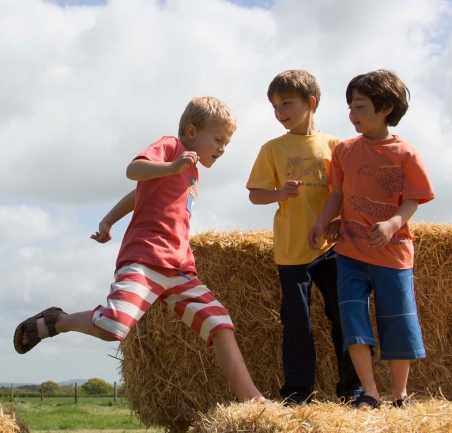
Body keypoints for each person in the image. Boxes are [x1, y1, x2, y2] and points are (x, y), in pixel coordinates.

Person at [14, 95, 266, 404]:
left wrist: (108, 219)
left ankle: (254, 402)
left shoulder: (193, 173)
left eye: (227, 142)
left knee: (220, 323)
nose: (223, 148)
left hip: (179, 269)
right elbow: (135, 170)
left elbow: (140, 192)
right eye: (218, 139)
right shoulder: (172, 147)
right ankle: (59, 321)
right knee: (111, 326)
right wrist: (172, 164)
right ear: (191, 131)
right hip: (145, 260)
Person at [308, 69, 435, 409]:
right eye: (350, 107)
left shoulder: (406, 153)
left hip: (393, 255)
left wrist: (394, 224)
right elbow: (337, 194)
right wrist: (324, 222)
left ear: (386, 108)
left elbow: (413, 199)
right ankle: (369, 392)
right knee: (353, 318)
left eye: (360, 107)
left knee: (398, 320)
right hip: (349, 252)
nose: (352, 115)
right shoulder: (345, 151)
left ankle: (400, 395)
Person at [246, 69, 361, 405]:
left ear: (310, 103)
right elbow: (255, 194)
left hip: (332, 249)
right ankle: (298, 392)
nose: (280, 111)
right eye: (275, 106)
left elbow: (348, 192)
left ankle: (351, 389)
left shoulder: (336, 146)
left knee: (343, 317)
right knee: (297, 323)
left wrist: (339, 219)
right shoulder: (272, 148)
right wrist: (279, 193)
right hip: (291, 251)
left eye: (286, 103)